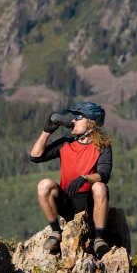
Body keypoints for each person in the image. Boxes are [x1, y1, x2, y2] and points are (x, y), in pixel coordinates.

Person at [30, 101, 113, 257]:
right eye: (74, 117)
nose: (73, 120)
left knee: (100, 187)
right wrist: (47, 131)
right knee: (44, 185)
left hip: (88, 204)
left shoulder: (102, 146)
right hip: (67, 201)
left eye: (78, 117)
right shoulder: (66, 143)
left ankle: (99, 239)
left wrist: (84, 178)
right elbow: (35, 157)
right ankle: (56, 232)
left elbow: (104, 174)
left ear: (91, 122)